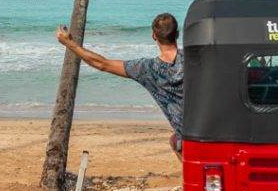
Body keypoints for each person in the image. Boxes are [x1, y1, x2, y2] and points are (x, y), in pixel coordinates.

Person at [55, 12, 183, 155]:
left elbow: (102, 64)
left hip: (187, 136)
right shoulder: (196, 57)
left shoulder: (147, 69)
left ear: (154, 36)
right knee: (174, 140)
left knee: (176, 141)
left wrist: (69, 43)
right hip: (204, 130)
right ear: (177, 34)